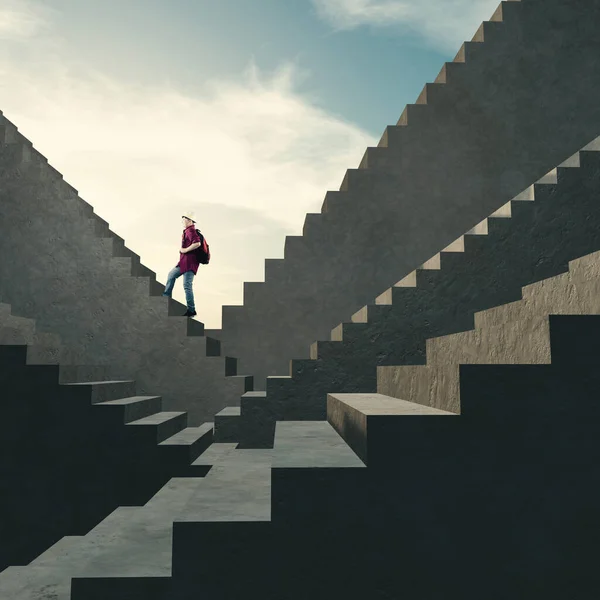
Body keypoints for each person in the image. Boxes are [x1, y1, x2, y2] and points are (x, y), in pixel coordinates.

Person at [162, 214, 202, 317]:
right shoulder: (187, 231)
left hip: (189, 263)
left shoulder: (191, 230)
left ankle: (191, 310)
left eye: (183, 220)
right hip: (183, 263)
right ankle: (166, 298)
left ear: (189, 220)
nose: (182, 222)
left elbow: (197, 243)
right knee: (171, 275)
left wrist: (184, 250)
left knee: (187, 286)